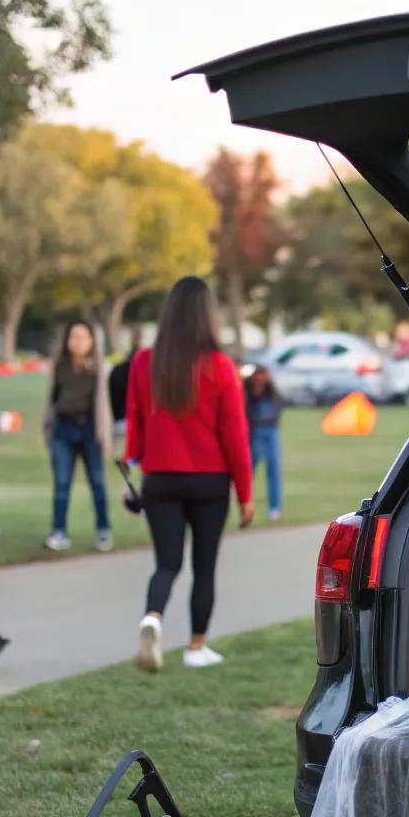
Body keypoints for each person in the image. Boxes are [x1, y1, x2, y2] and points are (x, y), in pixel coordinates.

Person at [125, 276, 253, 670]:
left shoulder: (145, 363)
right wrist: (245, 494)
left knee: (166, 563)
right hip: (208, 481)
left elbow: (135, 425)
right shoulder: (219, 367)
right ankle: (197, 647)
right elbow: (235, 437)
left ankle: (152, 618)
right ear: (207, 316)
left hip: (159, 479)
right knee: (204, 566)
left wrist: (131, 470)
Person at [43, 320, 112, 552]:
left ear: (91, 341)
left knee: (97, 481)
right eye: (74, 336)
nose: (78, 341)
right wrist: (48, 428)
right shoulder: (60, 365)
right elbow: (50, 399)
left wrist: (105, 433)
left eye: (83, 336)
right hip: (63, 429)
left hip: (90, 429)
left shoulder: (97, 367)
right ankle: (59, 531)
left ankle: (103, 530)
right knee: (62, 482)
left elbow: (103, 402)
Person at [245, 364, 283, 520]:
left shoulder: (272, 392)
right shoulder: (246, 391)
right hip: (254, 433)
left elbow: (277, 408)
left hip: (270, 431)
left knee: (273, 469)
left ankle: (274, 508)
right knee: (249, 469)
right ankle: (245, 503)